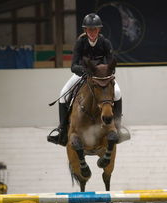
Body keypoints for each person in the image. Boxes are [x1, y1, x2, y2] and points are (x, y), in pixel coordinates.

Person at [47, 13, 128, 146]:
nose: (92, 32)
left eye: (95, 29)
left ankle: (118, 127)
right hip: (83, 74)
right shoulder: (80, 42)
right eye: (89, 29)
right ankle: (62, 131)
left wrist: (103, 72)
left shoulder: (105, 43)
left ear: (99, 30)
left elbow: (111, 65)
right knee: (62, 94)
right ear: (85, 30)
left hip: (103, 77)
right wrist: (86, 71)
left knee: (118, 93)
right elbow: (73, 66)